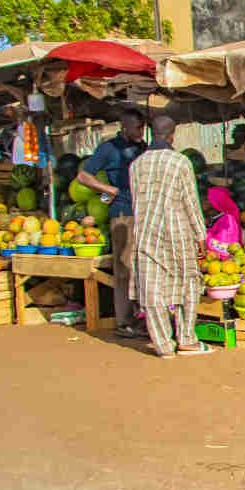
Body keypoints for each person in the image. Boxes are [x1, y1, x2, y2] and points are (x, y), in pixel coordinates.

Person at [129, 116, 212, 358]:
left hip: (145, 232)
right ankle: (187, 338)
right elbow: (191, 202)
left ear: (151, 133)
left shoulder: (136, 165)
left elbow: (136, 203)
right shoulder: (180, 163)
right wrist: (200, 236)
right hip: (178, 231)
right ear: (172, 135)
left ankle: (163, 344)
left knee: (152, 289)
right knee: (188, 283)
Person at [76, 108, 147, 339]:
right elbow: (84, 176)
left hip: (144, 212)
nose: (140, 132)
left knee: (141, 266)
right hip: (122, 214)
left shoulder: (142, 148)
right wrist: (109, 190)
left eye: (143, 127)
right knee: (124, 267)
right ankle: (124, 321)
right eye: (137, 127)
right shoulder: (108, 148)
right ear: (124, 126)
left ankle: (141, 317)